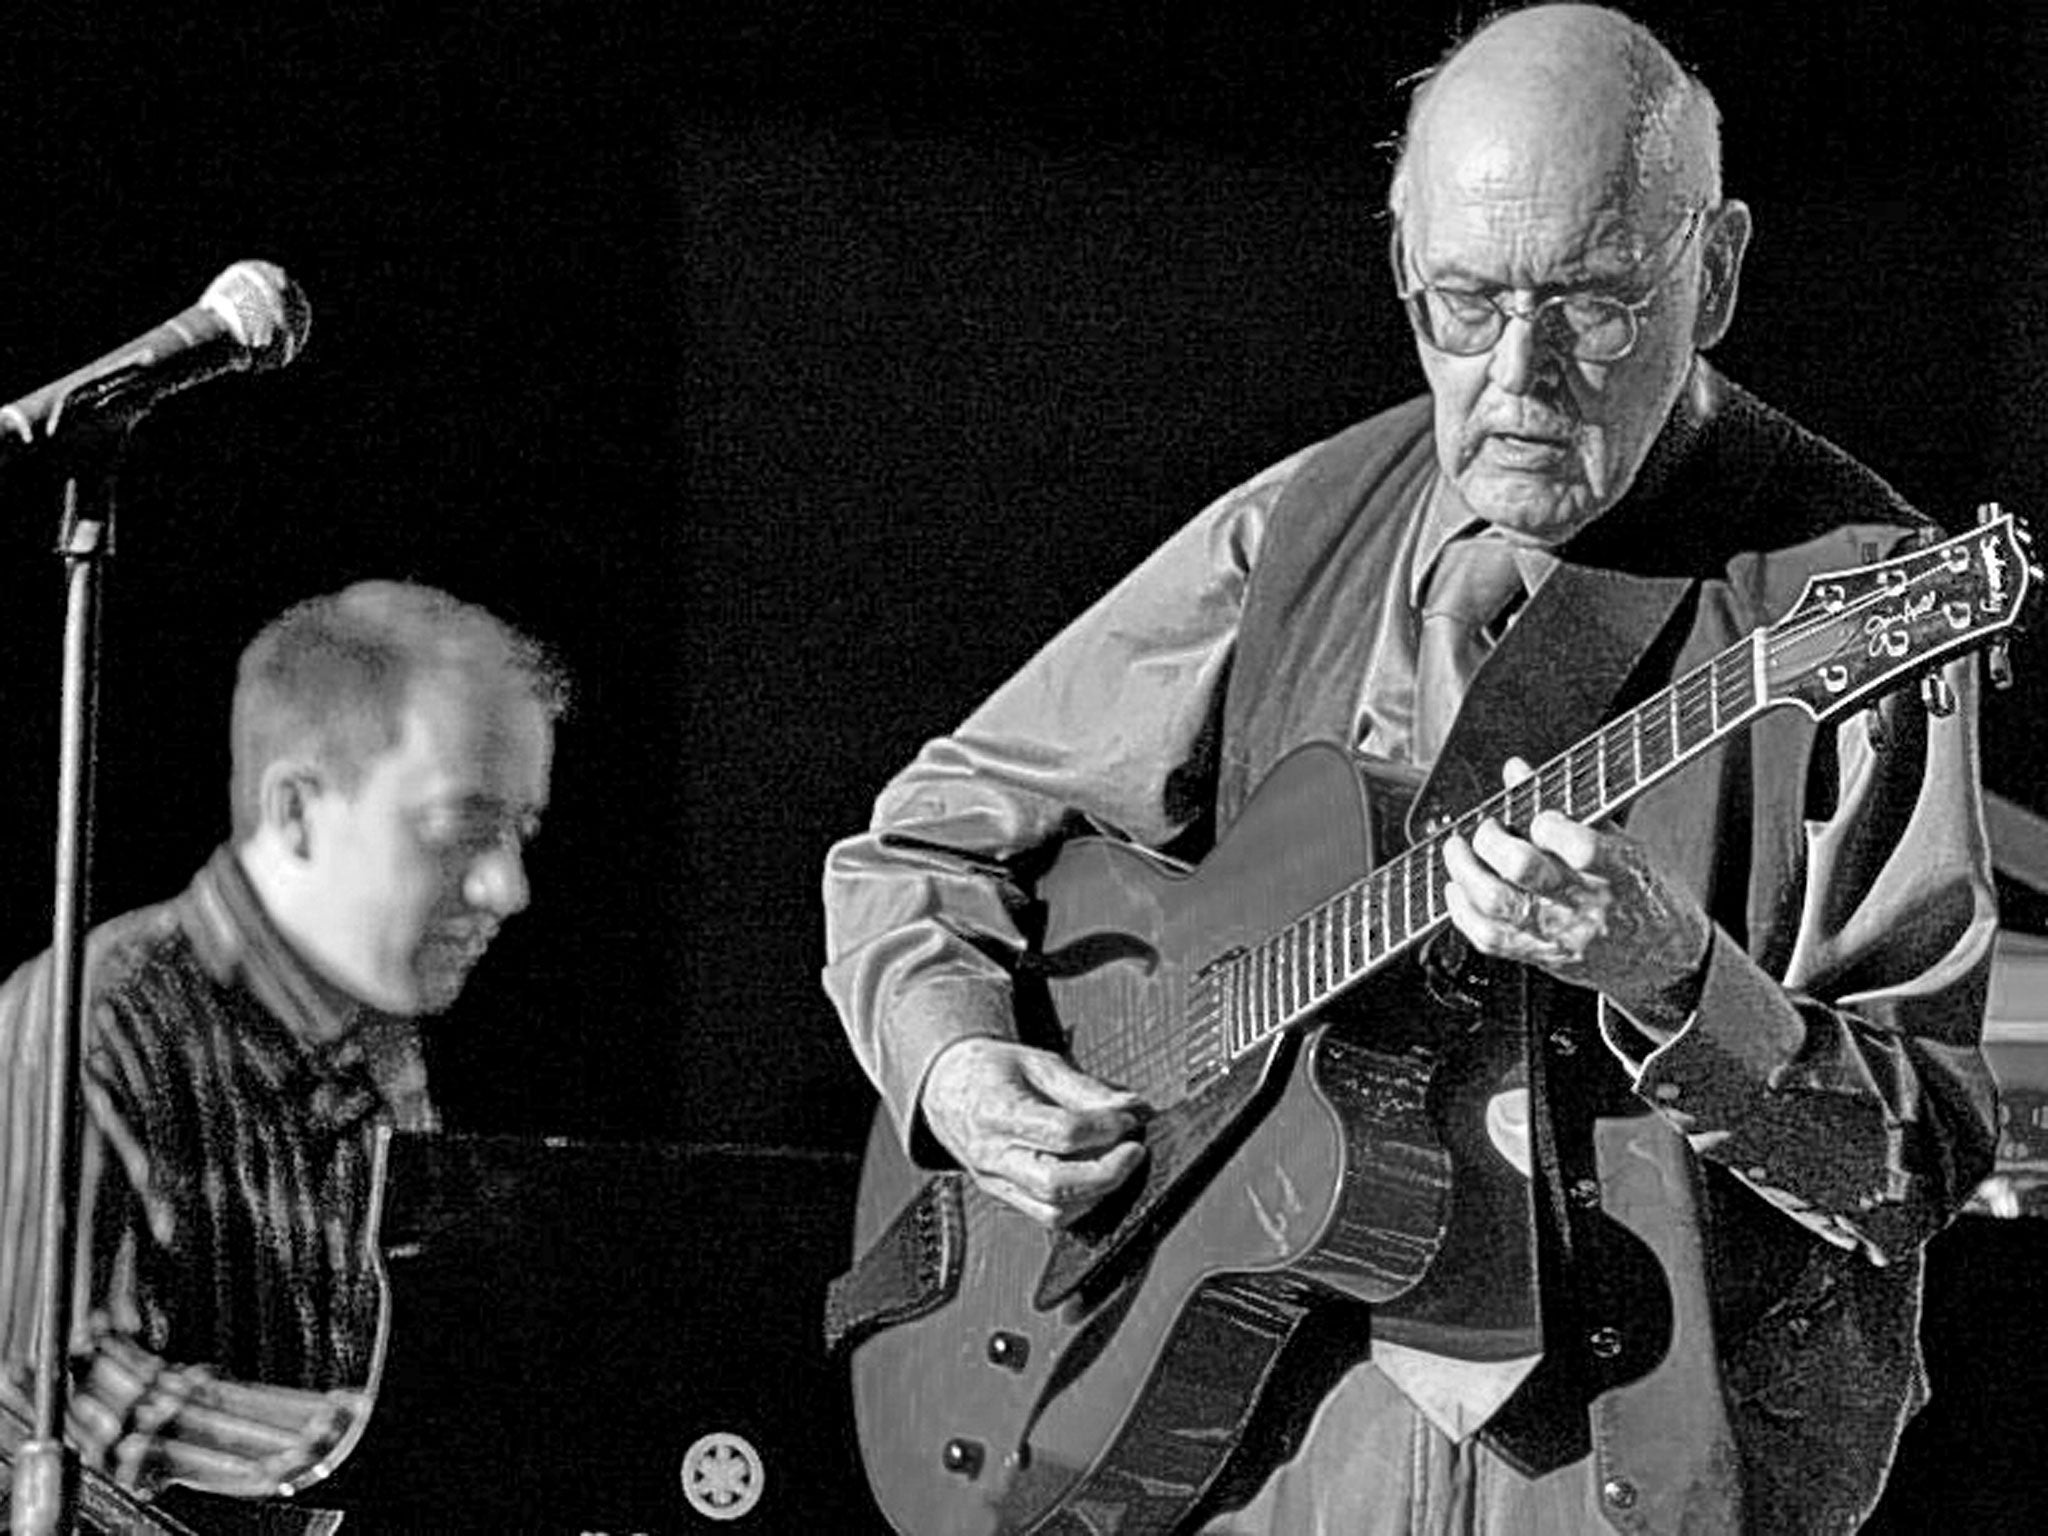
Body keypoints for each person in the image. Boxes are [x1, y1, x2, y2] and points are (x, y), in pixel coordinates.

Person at [822, 5, 1999, 1533]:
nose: (1519, 375)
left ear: (1711, 272)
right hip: (1261, 1449)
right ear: (1398, 266)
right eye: (1463, 301)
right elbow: (923, 846)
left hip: (1627, 1468)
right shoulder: (1300, 523)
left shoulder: (1847, 594)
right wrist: (961, 1070)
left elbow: (1912, 1166)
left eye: (1591, 302)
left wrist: (1675, 979)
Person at [0, 580, 561, 1510]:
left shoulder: (382, 1042)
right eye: (465, 829)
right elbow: (38, 1394)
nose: (507, 887)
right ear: (296, 808)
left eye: (519, 831)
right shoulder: (89, 1016)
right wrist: (390, 1437)